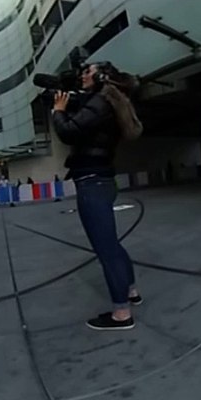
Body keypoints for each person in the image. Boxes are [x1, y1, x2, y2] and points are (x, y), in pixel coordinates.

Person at [52, 60, 144, 331]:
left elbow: (69, 132)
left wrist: (58, 111)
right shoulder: (108, 101)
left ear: (102, 76)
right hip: (102, 179)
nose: (83, 75)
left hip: (92, 181)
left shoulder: (101, 102)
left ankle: (121, 314)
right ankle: (131, 291)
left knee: (105, 248)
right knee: (112, 244)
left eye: (87, 72)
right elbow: (86, 125)